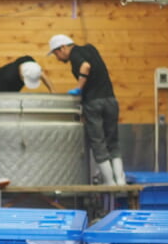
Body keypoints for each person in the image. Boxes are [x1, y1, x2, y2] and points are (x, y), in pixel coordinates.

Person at [46, 34, 126, 185]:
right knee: (113, 142)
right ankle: (120, 181)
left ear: (63, 47)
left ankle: (110, 183)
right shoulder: (90, 48)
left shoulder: (75, 54)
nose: (57, 57)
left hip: (94, 103)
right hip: (110, 100)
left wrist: (78, 88)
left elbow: (85, 66)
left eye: (56, 53)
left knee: (98, 142)